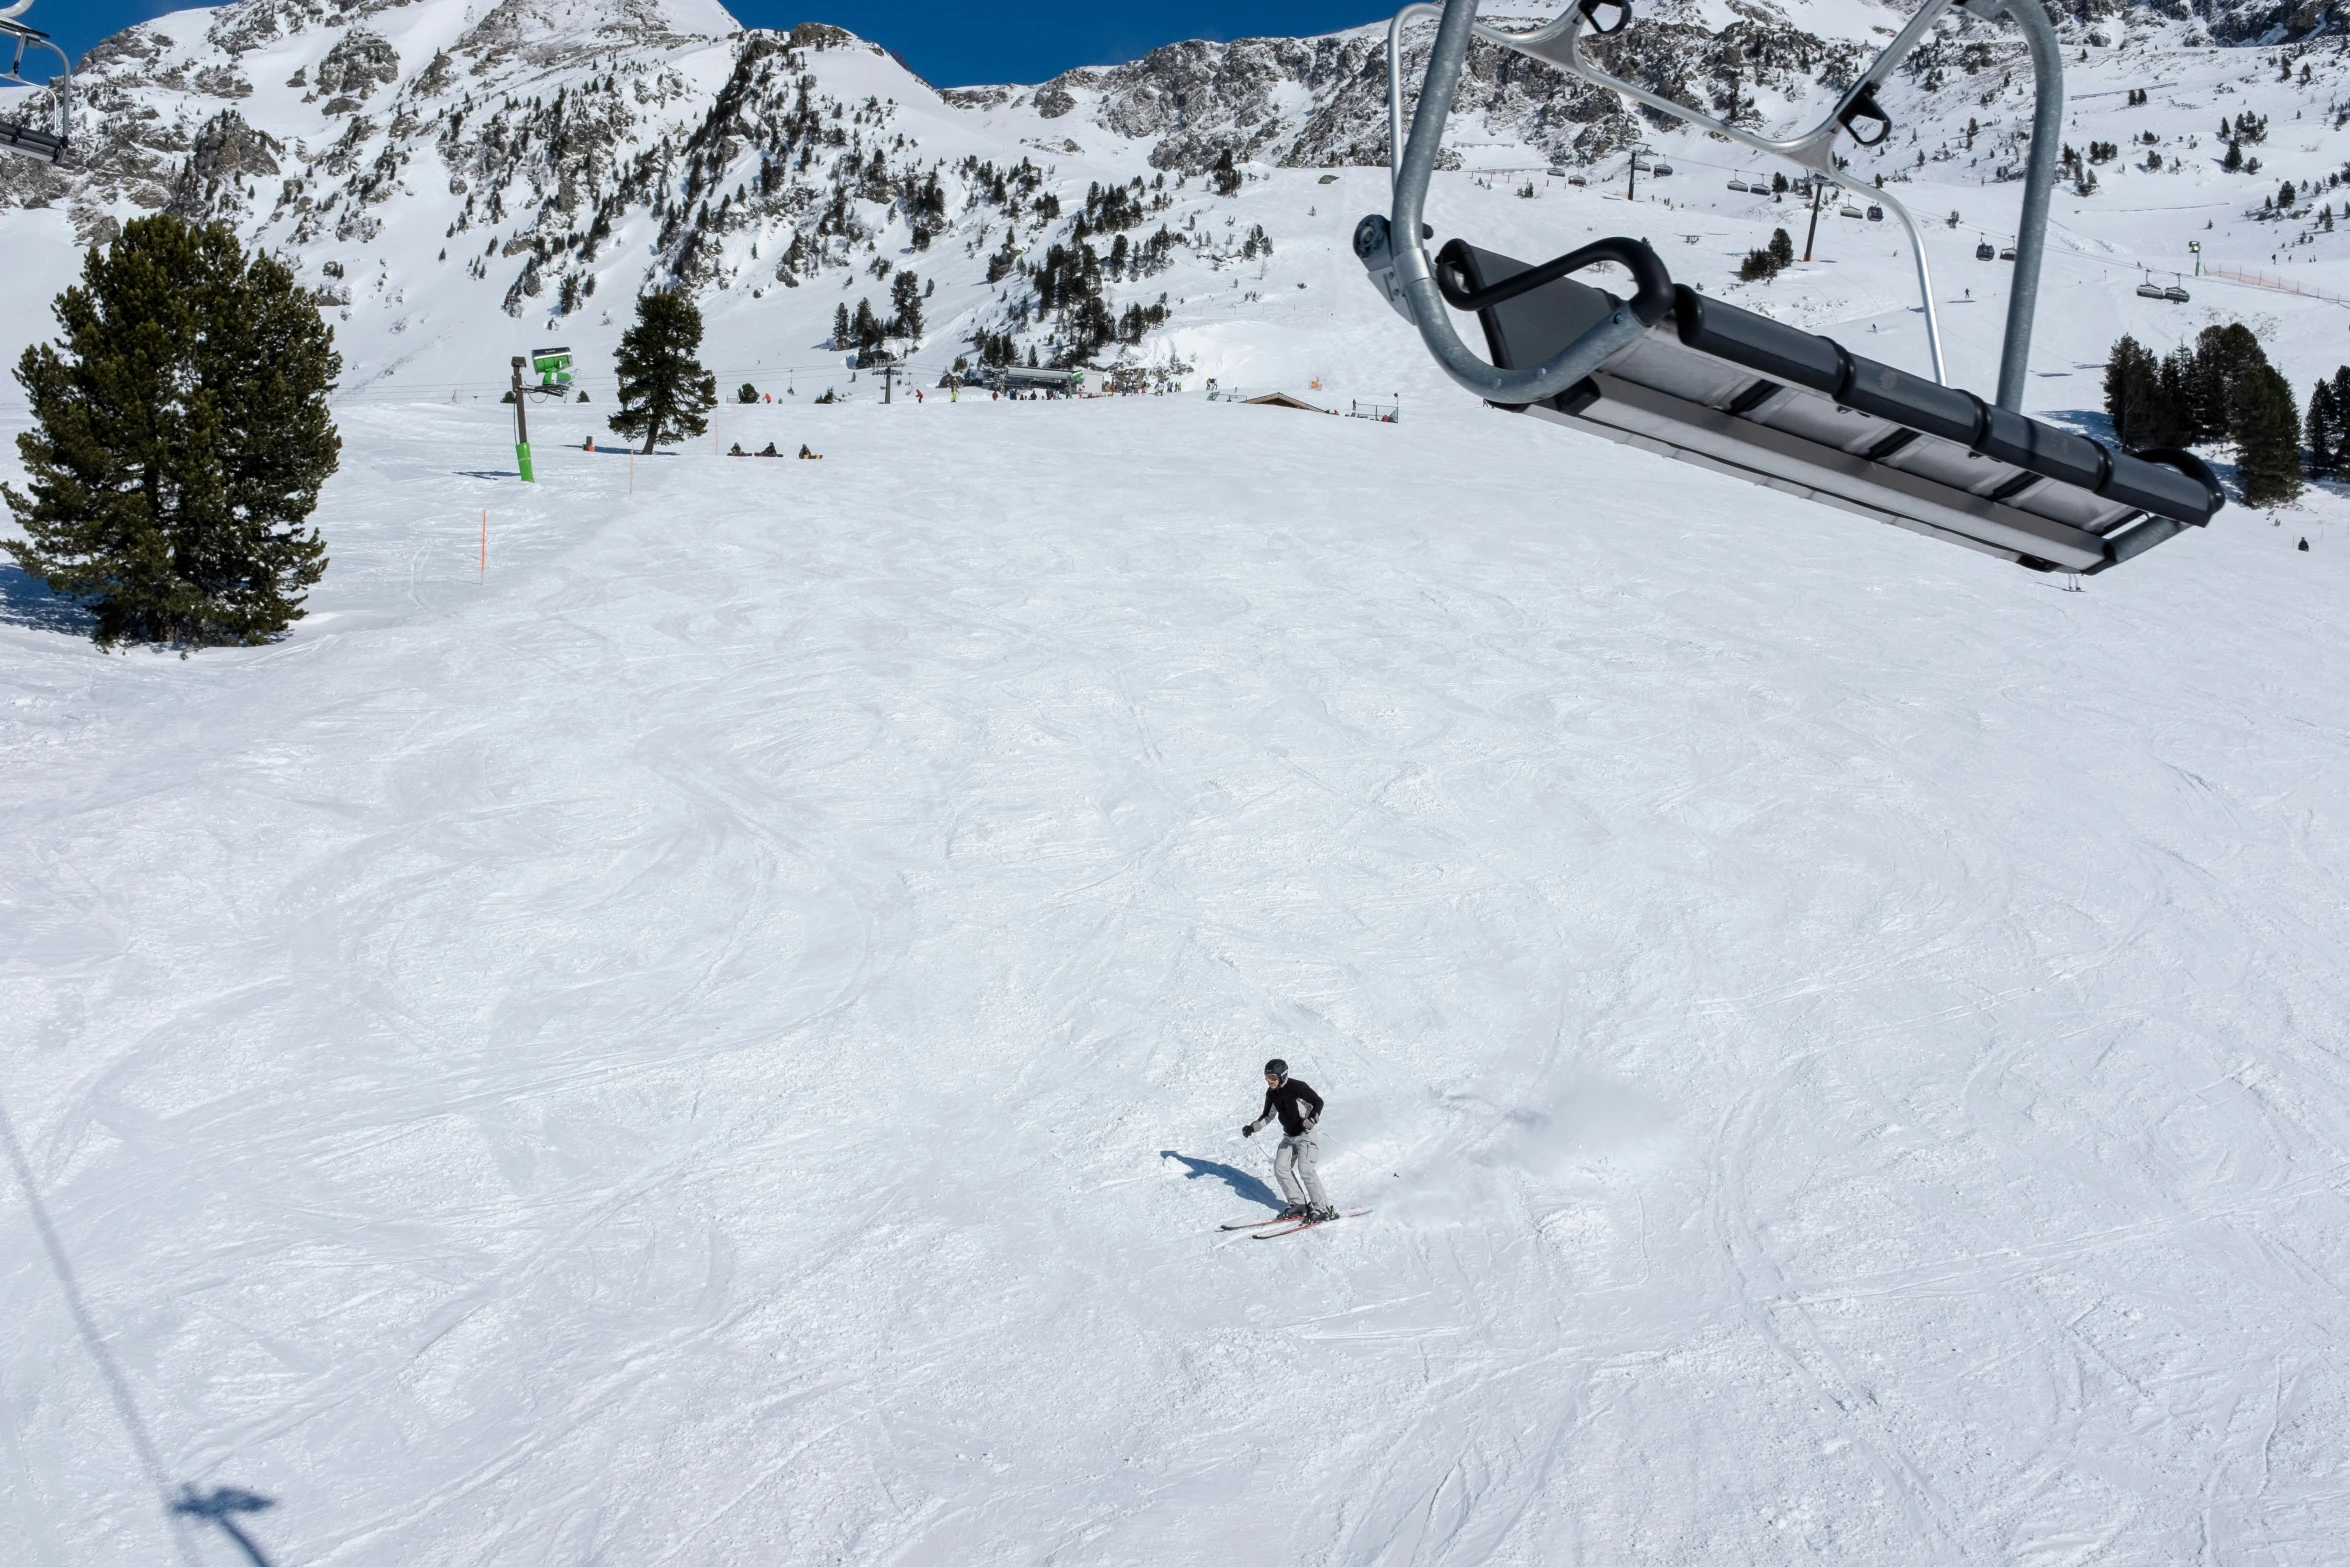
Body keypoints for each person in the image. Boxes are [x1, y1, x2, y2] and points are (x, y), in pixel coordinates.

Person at [1242, 1059, 1333, 1221]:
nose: (1269, 1082)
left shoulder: (1297, 1087)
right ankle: (1298, 1204)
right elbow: (1267, 1115)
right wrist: (1252, 1127)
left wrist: (1312, 1119)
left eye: (1272, 1078)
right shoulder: (1272, 1093)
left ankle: (1322, 1208)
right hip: (1289, 1137)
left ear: (1282, 1076)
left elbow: (1318, 1102)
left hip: (1305, 1134)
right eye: (1266, 1078)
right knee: (1280, 1167)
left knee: (1306, 1169)